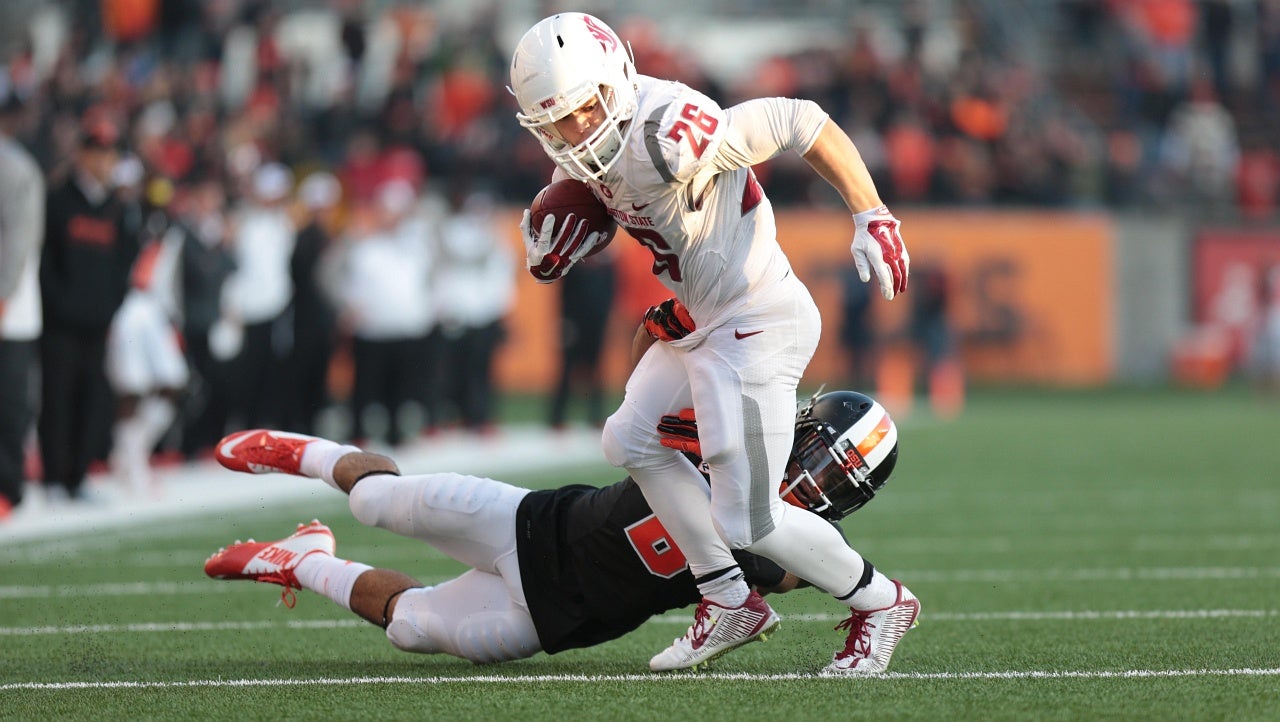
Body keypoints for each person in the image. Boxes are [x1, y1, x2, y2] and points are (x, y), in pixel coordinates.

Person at [508, 13, 913, 674]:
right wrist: (559, 224)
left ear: (613, 84)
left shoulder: (670, 135)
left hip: (756, 323)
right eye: (553, 122)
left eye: (582, 112)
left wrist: (872, 212)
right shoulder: (595, 141)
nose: (571, 133)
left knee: (751, 523)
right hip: (708, 316)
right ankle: (728, 597)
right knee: (628, 440)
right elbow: (606, 191)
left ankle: (881, 601)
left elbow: (798, 119)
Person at [204, 387, 902, 666]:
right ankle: (309, 455)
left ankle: (300, 561)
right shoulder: (725, 436)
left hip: (560, 615)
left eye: (841, 481)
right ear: (798, 428)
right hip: (532, 523)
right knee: (374, 504)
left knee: (411, 628)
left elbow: (843, 578)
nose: (818, 480)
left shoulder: (795, 553)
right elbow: (647, 395)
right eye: (822, 458)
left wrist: (878, 604)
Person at [39, 110, 139, 502]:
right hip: (60, 323)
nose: (104, 160)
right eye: (97, 151)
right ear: (81, 153)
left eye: (110, 152)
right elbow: (46, 260)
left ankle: (77, 477)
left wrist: (110, 306)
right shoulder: (58, 200)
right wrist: (58, 303)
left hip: (98, 322)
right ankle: (52, 479)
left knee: (91, 397)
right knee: (57, 398)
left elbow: (125, 264)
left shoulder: (117, 208)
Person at [0, 88, 45, 519]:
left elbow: (19, 239)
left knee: (9, 400)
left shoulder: (14, 168)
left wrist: (2, 296)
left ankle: (7, 489)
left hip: (10, 311)